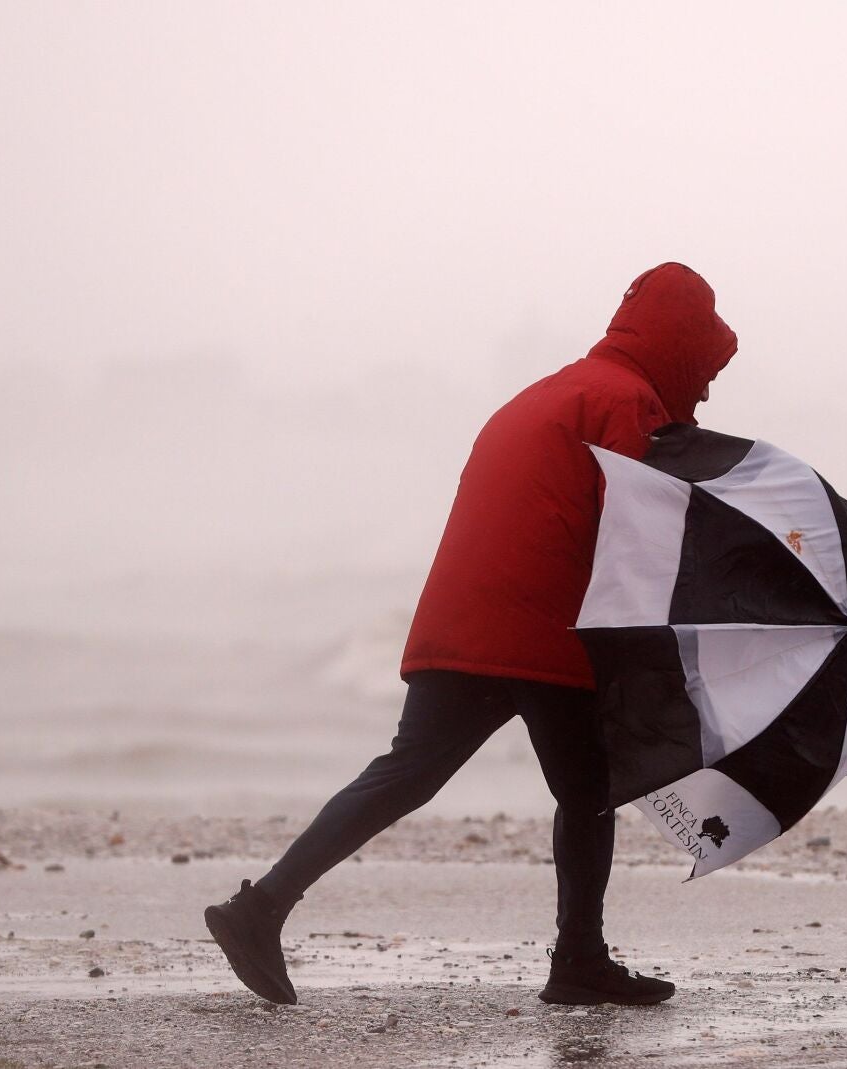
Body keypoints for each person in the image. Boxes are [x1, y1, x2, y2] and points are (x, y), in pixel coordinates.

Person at [203, 263, 737, 1007]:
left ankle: (261, 905)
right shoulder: (628, 403)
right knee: (588, 791)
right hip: (542, 624)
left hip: (463, 616)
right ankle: (579, 959)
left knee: (411, 771)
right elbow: (644, 535)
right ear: (676, 346)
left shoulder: (550, 392)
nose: (706, 390)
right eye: (705, 367)